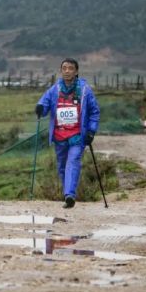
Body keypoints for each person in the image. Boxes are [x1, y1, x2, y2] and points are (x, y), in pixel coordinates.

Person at [35, 58, 100, 208]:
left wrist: (91, 130)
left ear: (76, 71)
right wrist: (40, 109)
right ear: (61, 70)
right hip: (59, 136)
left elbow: (94, 112)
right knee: (62, 166)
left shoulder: (85, 90)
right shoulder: (55, 89)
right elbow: (44, 104)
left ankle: (70, 195)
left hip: (77, 135)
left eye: (70, 68)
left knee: (73, 161)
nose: (67, 71)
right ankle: (67, 194)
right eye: (64, 68)